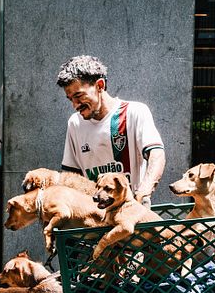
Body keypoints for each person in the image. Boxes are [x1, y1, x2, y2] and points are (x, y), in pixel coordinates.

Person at [56, 55, 165, 206]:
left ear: (99, 86)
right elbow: (71, 176)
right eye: (70, 99)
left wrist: (144, 192)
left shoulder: (135, 112)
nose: (75, 105)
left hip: (129, 214)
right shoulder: (75, 123)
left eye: (79, 96)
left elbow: (156, 154)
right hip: (92, 217)